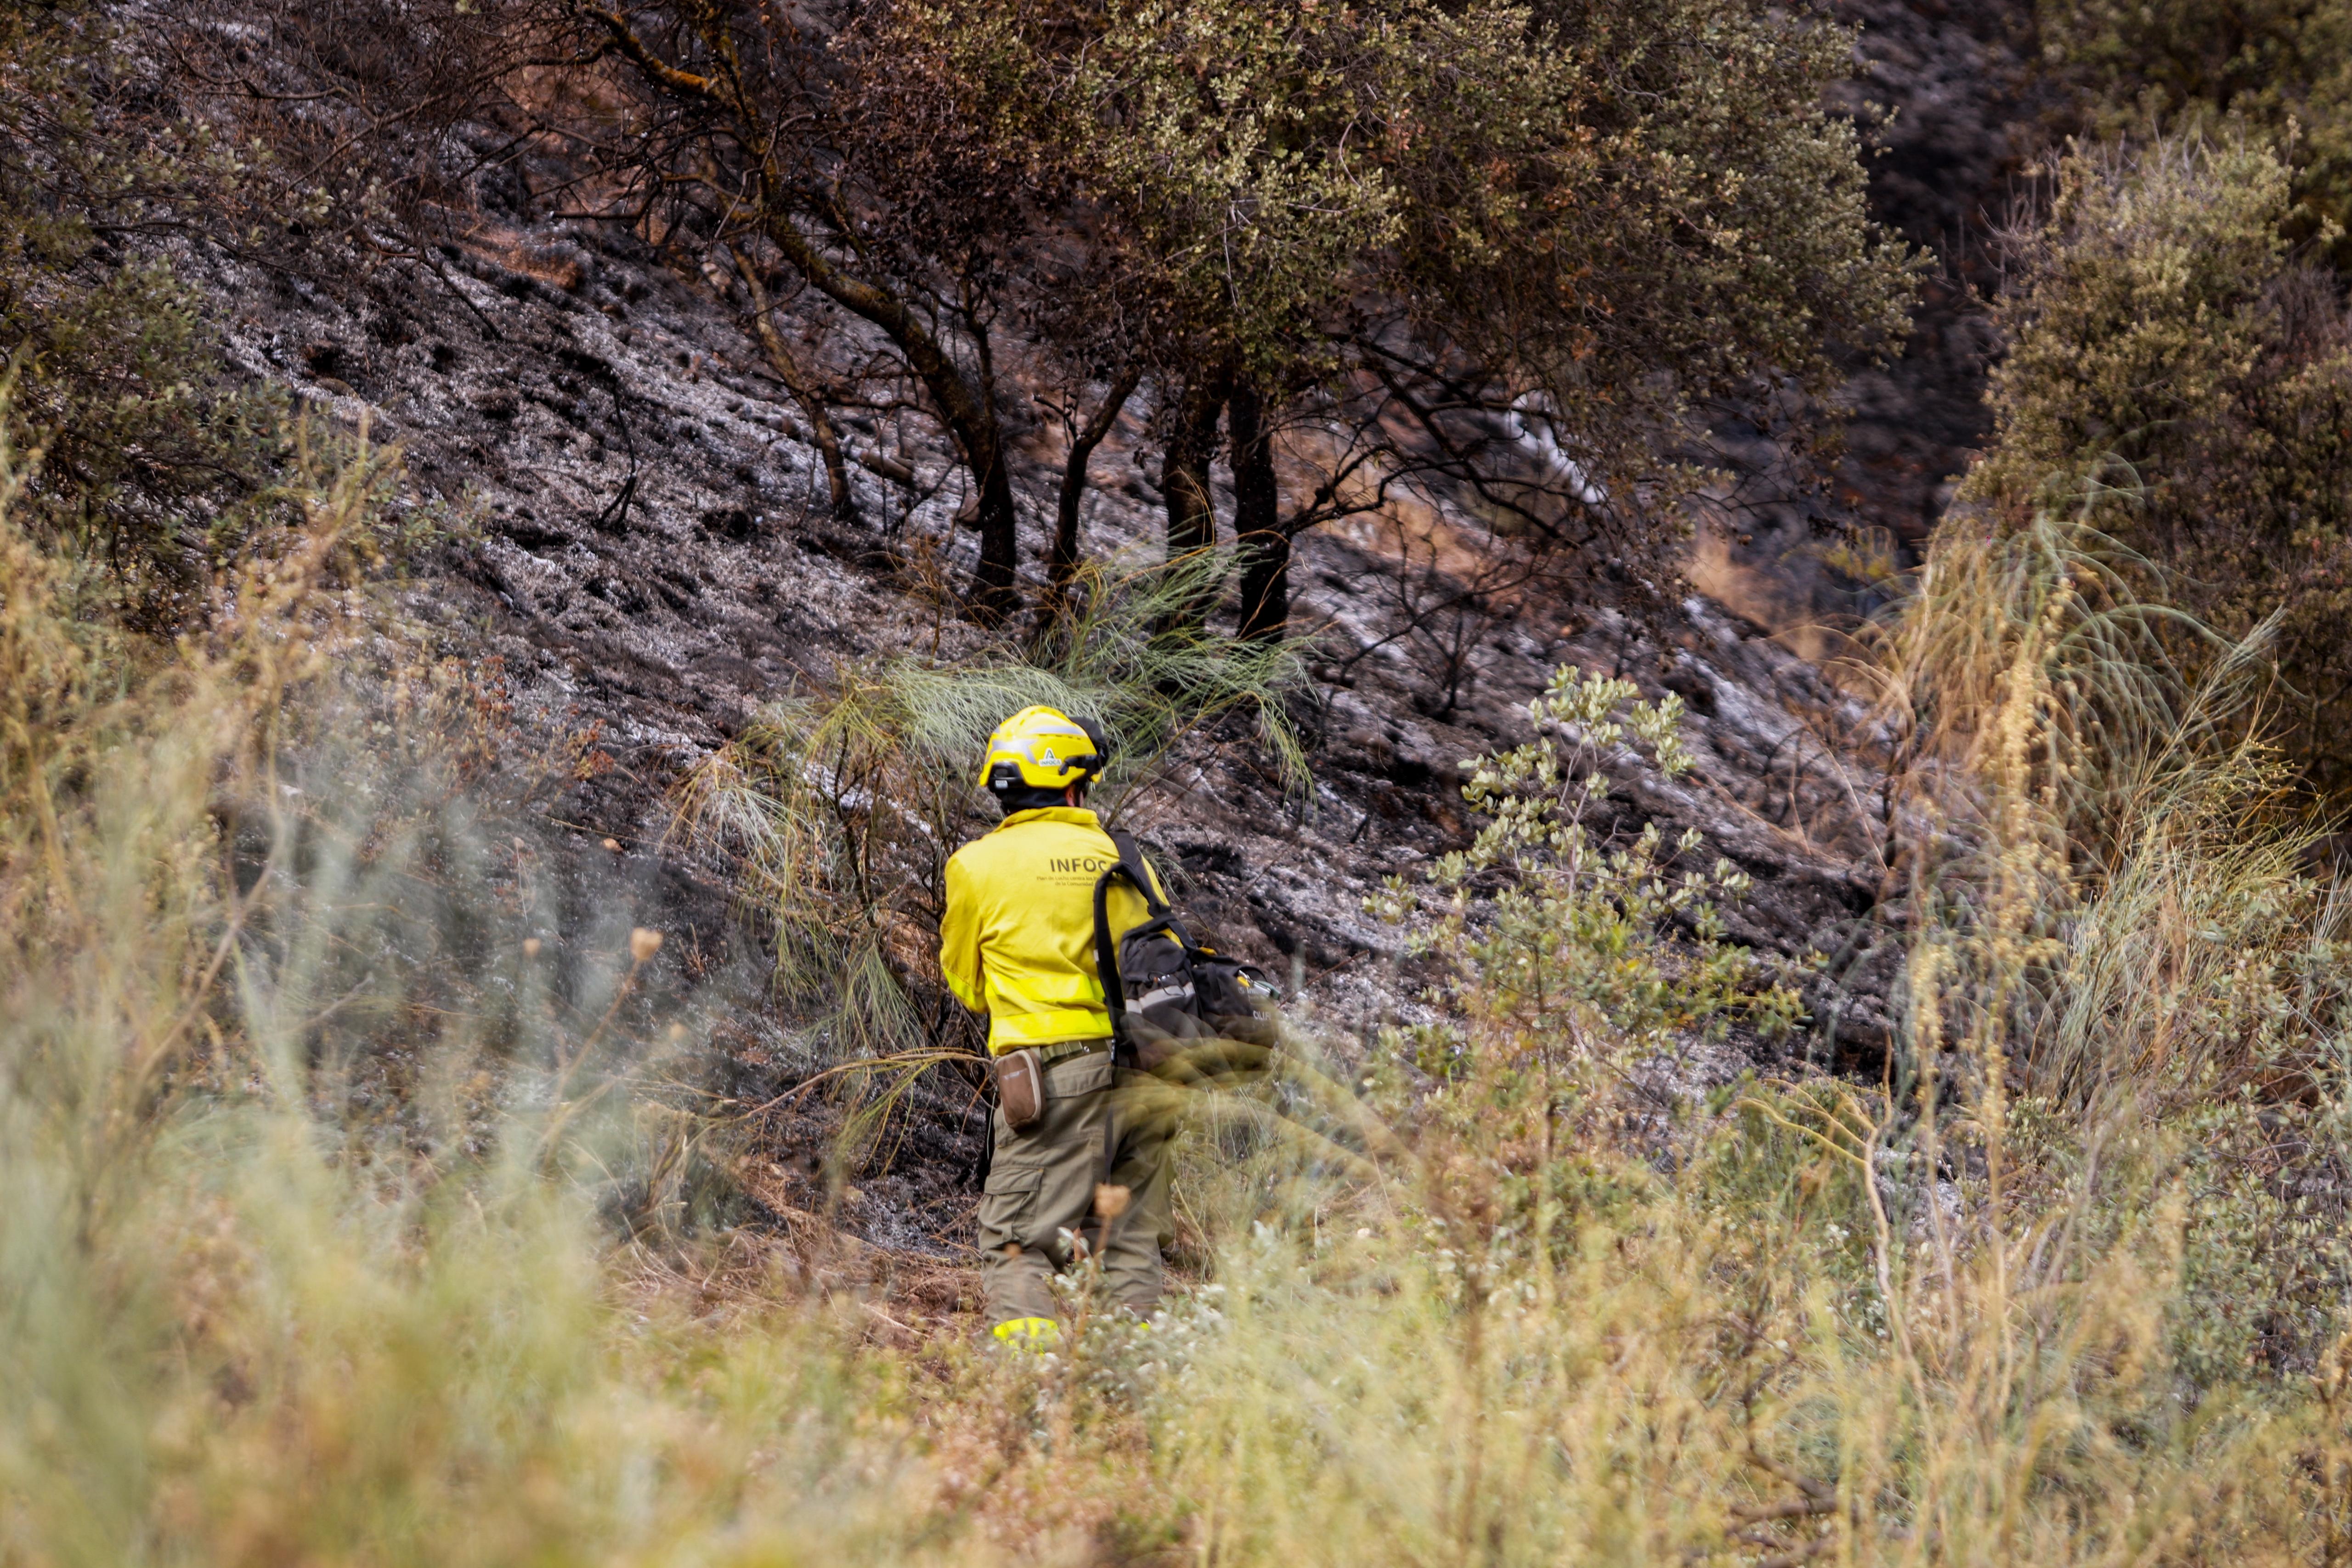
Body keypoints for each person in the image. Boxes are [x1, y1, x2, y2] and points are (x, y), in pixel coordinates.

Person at [939, 704, 1173, 1348]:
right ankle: (1129, 1403)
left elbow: (967, 985)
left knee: (1018, 1245)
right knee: (1126, 1246)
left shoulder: (977, 866)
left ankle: (1029, 1397)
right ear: (1074, 784)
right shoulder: (1123, 858)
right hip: (1143, 1079)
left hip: (1050, 1085)